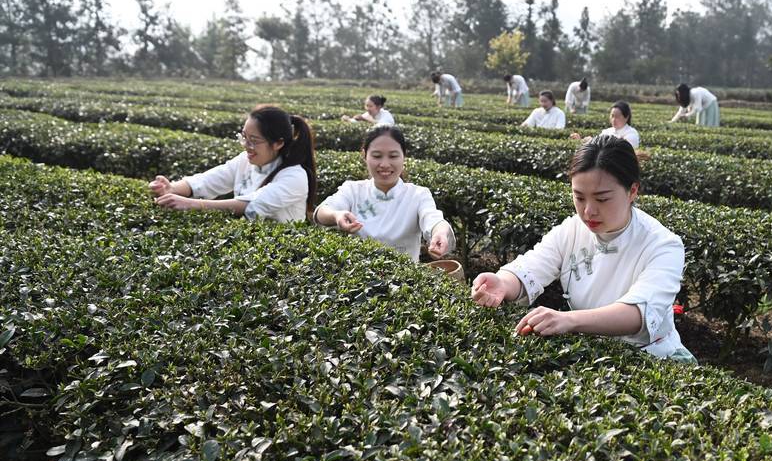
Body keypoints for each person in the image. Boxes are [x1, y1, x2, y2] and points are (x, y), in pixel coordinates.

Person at [471, 135, 694, 362]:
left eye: (602, 199)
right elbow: (532, 266)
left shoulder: (663, 245)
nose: (588, 212)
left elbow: (639, 313)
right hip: (591, 355)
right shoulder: (572, 229)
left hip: (652, 360)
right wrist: (502, 283)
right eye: (579, 197)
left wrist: (569, 320)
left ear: (632, 191)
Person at [149, 105, 317, 222]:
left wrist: (192, 204)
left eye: (254, 141)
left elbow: (253, 204)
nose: (246, 146)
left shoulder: (294, 176)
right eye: (244, 137)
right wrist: (173, 189)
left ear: (278, 143)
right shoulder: (245, 160)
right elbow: (208, 180)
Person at [314, 125, 455, 261]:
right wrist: (337, 215)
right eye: (377, 156)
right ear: (364, 155)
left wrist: (440, 233)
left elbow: (433, 218)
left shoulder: (418, 195)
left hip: (406, 282)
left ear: (404, 156)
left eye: (393, 156)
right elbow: (322, 211)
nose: (385, 164)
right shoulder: (353, 190)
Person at [570, 101, 641, 148]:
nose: (614, 119)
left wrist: (593, 141)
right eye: (612, 116)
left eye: (617, 116)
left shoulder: (631, 133)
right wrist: (580, 140)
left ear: (626, 117)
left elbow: (622, 149)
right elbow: (595, 144)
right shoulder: (607, 131)